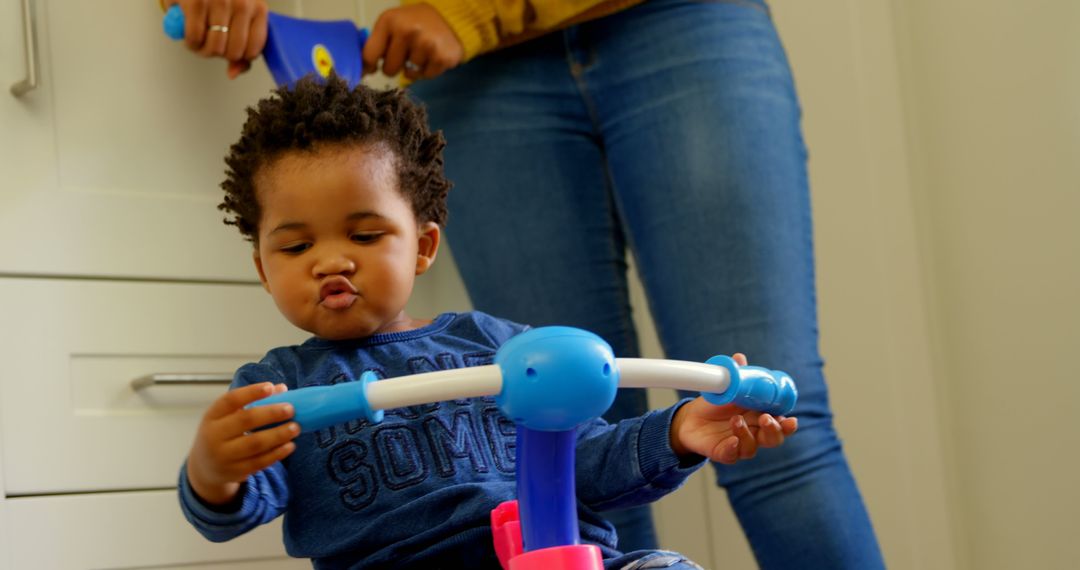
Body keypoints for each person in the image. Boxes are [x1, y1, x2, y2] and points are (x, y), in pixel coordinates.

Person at [164, 1, 886, 566]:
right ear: (263, 267)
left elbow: (589, 463)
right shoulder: (279, 391)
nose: (331, 261)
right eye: (295, 245)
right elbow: (233, 505)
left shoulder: (502, 347)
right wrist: (212, 468)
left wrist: (679, 430)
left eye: (363, 234)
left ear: (422, 247)